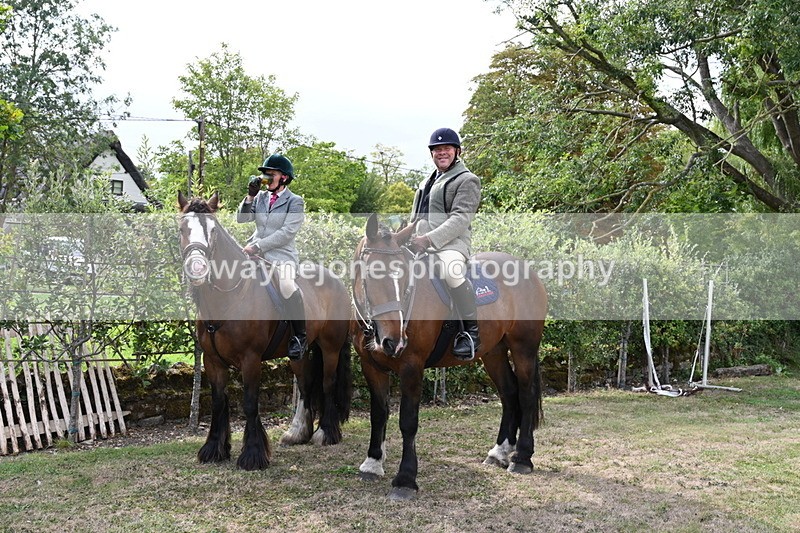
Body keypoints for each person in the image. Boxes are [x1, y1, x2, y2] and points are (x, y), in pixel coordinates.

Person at [408, 127, 481, 360]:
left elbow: (461, 218)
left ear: (457, 151)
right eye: (437, 149)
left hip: (451, 245)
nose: (442, 153)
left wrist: (430, 239)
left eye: (446, 148)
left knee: (452, 273)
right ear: (432, 154)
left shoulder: (467, 180)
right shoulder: (425, 182)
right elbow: (415, 218)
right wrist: (402, 237)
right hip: (419, 244)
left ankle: (470, 333)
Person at [237, 153, 307, 360]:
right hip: (253, 252)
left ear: (283, 177)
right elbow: (242, 219)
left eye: (271, 174)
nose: (265, 178)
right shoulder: (260, 197)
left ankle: (299, 338)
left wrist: (258, 246)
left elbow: (287, 232)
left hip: (281, 255)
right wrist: (250, 196)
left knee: (286, 286)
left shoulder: (295, 201)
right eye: (265, 174)